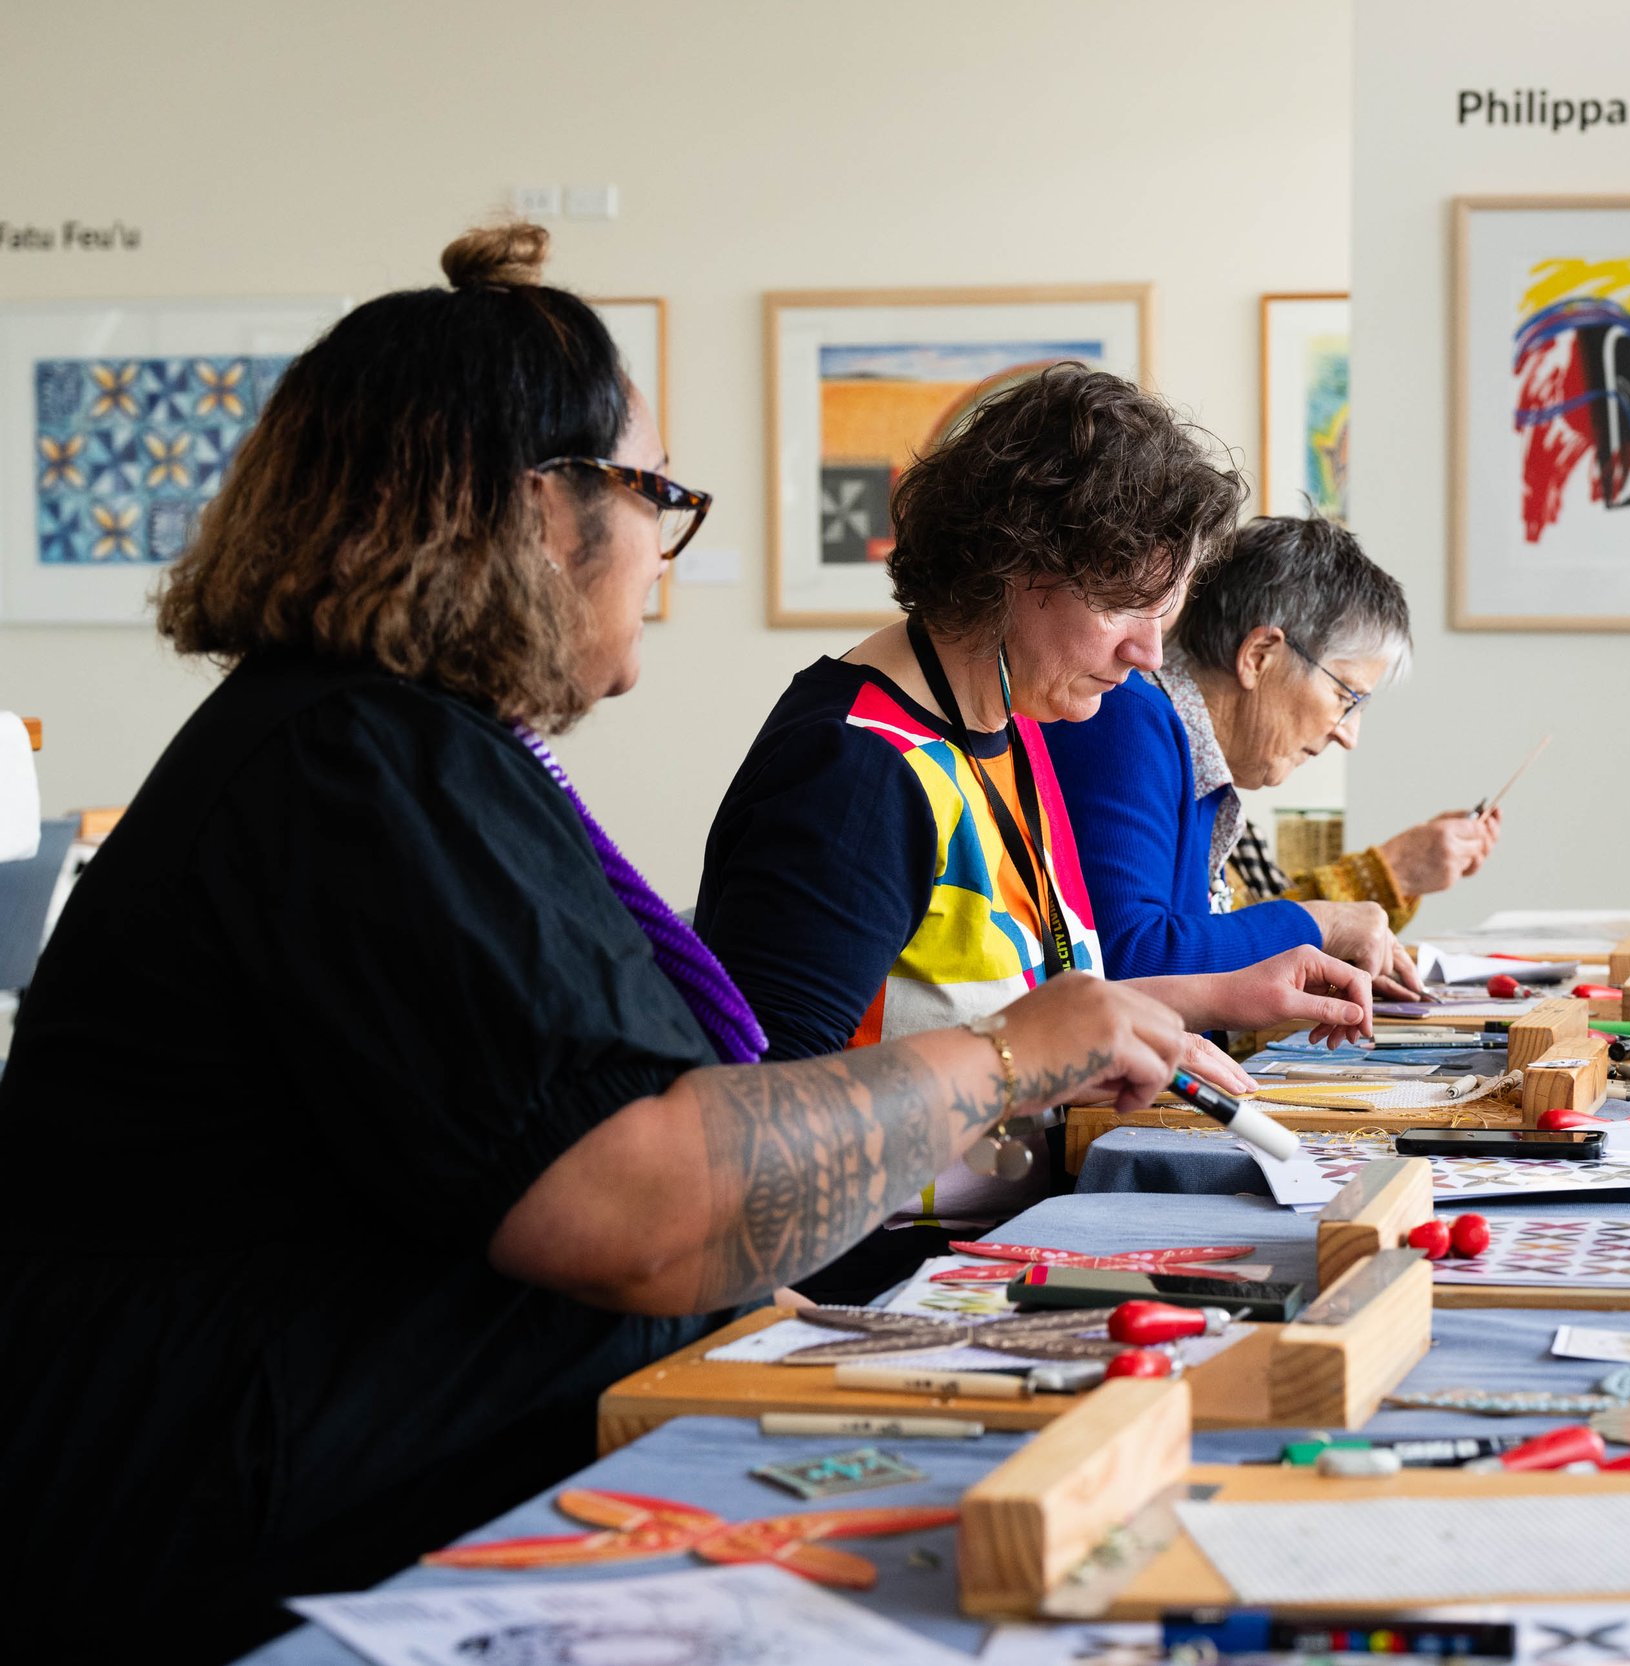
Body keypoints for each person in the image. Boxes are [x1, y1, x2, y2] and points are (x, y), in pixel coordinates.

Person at [0, 227, 1204, 1660]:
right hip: (238, 1543)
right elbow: (639, 1199)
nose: (662, 553)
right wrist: (1011, 1052)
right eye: (655, 498)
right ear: (531, 511)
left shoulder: (405, 746)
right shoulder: (357, 763)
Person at [698, 373, 1372, 1299]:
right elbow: (763, 1129)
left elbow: (1004, 1004)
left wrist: (1215, 991)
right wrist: (1022, 1073)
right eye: (1125, 609)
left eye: (1163, 616)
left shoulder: (1011, 726)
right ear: (1014, 566)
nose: (1146, 654)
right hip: (883, 1279)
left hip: (1006, 1235)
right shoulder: (858, 774)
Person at [1045, 514, 1500, 988]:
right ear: (1259, 655)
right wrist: (1322, 926)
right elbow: (1132, 960)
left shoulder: (1181, 750)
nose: (1349, 735)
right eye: (1346, 699)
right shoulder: (1130, 719)